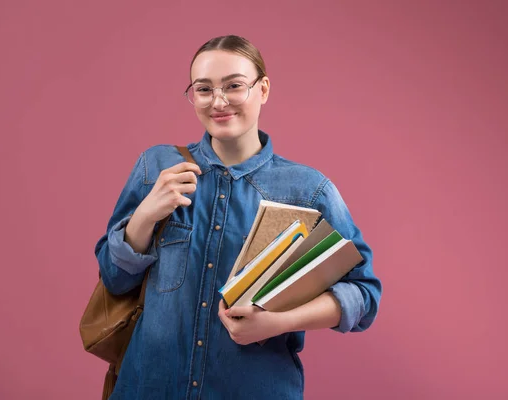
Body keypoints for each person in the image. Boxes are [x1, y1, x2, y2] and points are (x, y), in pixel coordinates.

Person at [94, 34, 382, 400]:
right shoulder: (157, 167)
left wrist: (279, 322)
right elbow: (114, 279)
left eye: (234, 86)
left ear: (263, 90)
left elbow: (364, 293)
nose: (218, 101)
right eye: (204, 89)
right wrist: (145, 216)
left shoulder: (309, 191)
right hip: (147, 388)